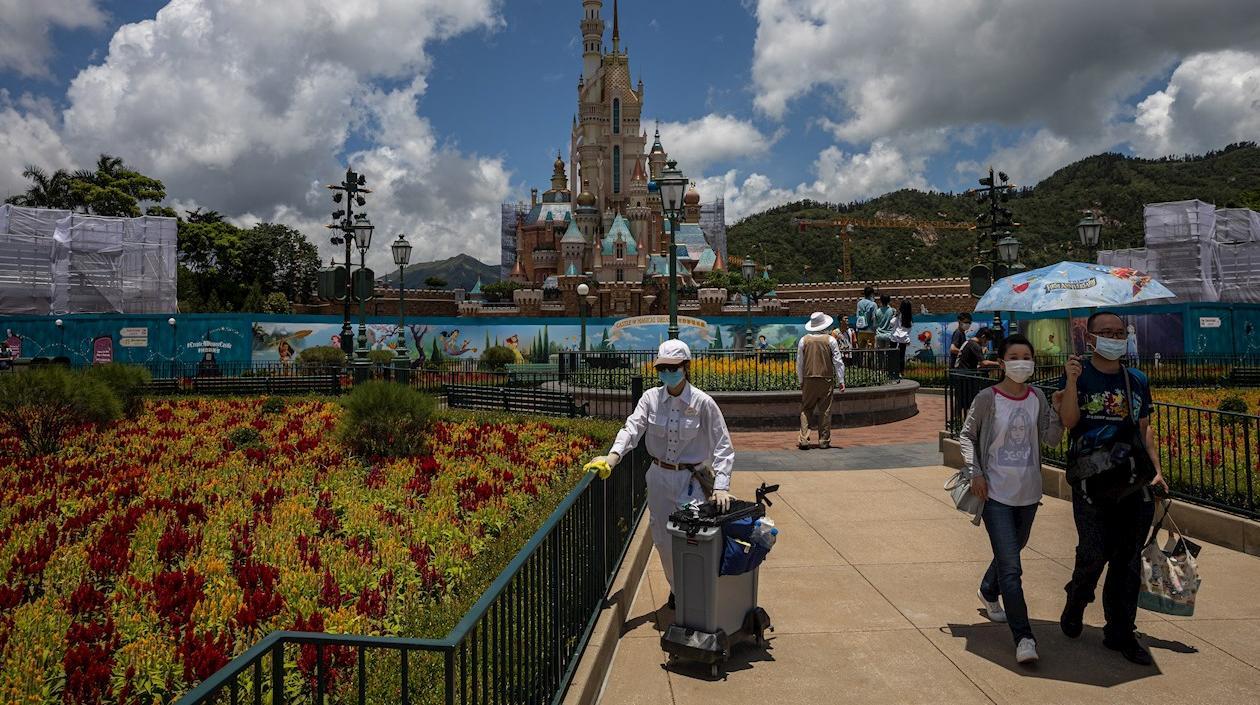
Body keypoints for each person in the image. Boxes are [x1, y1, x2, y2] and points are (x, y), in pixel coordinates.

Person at [584, 340, 735, 608]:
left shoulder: (703, 403)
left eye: (672, 367)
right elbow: (633, 428)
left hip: (692, 481)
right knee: (663, 540)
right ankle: (678, 589)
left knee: (695, 538)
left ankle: (699, 590)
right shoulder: (651, 399)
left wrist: (721, 485)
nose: (666, 372)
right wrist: (613, 456)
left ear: (686, 367)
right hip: (659, 477)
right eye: (661, 368)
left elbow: (723, 445)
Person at [1056, 311, 1168, 666]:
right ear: (1089, 338)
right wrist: (1071, 382)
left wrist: (1158, 470)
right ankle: (1078, 595)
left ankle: (1120, 631)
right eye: (1106, 332)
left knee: (1127, 560)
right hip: (1091, 480)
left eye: (1119, 332)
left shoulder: (1135, 379)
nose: (1114, 337)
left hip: (1132, 481)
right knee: (1093, 552)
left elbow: (1144, 428)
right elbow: (1070, 422)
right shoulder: (1079, 374)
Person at [958, 334, 1064, 664]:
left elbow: (1052, 439)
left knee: (1012, 551)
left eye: (1027, 357)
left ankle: (988, 590)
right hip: (996, 494)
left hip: (1029, 493)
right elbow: (966, 434)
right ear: (1002, 362)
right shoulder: (988, 398)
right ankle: (1024, 638)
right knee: (1013, 569)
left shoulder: (1037, 398)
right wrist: (975, 471)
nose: (1022, 362)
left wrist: (1059, 411)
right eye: (1014, 356)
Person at [797, 312, 846, 450]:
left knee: (806, 409)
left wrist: (801, 380)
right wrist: (841, 380)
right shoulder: (830, 340)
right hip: (826, 379)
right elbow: (838, 361)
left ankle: (804, 439)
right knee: (825, 410)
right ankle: (824, 440)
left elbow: (799, 363)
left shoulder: (804, 340)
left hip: (808, 378)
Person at [874, 294, 897, 375]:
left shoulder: (877, 311)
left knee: (880, 355)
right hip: (889, 335)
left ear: (880, 301)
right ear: (889, 301)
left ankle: (880, 370)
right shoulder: (893, 311)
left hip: (879, 334)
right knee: (888, 354)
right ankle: (888, 370)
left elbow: (875, 324)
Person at [892, 299, 913, 380]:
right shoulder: (909, 318)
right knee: (901, 356)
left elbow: (891, 323)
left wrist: (894, 316)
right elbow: (909, 330)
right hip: (903, 340)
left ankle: (892, 372)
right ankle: (901, 372)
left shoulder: (898, 315)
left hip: (894, 338)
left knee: (892, 355)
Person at [855, 286, 877, 350]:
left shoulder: (859, 303)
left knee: (861, 351)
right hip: (870, 330)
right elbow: (874, 318)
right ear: (871, 294)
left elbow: (857, 316)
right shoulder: (873, 304)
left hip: (860, 330)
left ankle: (860, 360)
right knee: (871, 352)